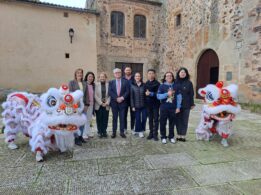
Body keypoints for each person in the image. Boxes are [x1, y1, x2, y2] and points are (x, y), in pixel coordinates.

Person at [157, 72, 182, 144]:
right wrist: (167, 94)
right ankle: (163, 137)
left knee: (172, 123)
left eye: (170, 76)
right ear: (165, 77)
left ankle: (171, 137)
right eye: (167, 76)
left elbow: (179, 97)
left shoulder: (176, 86)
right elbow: (158, 96)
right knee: (162, 122)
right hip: (164, 107)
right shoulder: (161, 86)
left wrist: (178, 107)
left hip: (173, 108)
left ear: (172, 77)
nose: (169, 77)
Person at [108, 68, 130, 138]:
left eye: (119, 72)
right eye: (116, 73)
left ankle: (122, 132)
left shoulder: (125, 82)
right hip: (114, 103)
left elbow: (127, 91)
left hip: (123, 103)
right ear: (114, 74)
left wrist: (122, 98)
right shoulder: (111, 82)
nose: (117, 74)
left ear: (121, 73)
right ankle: (114, 132)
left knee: (122, 118)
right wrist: (116, 98)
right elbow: (110, 91)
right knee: (114, 118)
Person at [175, 67, 195, 142]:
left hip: (186, 104)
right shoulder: (175, 82)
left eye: (184, 72)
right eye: (181, 72)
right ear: (179, 74)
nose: (182, 73)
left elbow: (191, 94)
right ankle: (178, 134)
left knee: (184, 120)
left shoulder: (189, 83)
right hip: (177, 105)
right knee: (178, 120)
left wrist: (192, 103)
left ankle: (183, 135)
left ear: (186, 74)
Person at [68, 68, 86, 146]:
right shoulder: (71, 83)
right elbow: (70, 94)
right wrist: (74, 103)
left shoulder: (84, 83)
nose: (80, 74)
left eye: (81, 73)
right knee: (75, 122)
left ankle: (81, 136)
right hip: (75, 105)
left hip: (83, 105)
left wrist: (87, 105)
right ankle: (76, 138)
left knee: (82, 121)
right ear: (75, 74)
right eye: (78, 73)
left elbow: (87, 95)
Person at [144, 69, 160, 141]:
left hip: (155, 105)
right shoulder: (146, 83)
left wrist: (150, 93)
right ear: (147, 75)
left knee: (156, 119)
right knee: (150, 119)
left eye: (152, 73)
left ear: (154, 74)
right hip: (148, 105)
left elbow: (158, 94)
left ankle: (155, 134)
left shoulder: (157, 84)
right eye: (149, 73)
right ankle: (151, 133)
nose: (150, 75)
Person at [130, 72, 147, 138]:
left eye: (139, 76)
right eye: (136, 76)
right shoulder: (132, 86)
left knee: (144, 118)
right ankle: (140, 131)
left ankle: (140, 130)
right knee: (138, 119)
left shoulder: (144, 85)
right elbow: (131, 97)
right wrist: (132, 106)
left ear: (140, 77)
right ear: (134, 77)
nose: (137, 77)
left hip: (144, 105)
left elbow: (146, 95)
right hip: (136, 106)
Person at [94, 72, 110, 138]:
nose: (102, 78)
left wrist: (106, 103)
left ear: (105, 78)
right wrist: (101, 103)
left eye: (103, 77)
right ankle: (99, 132)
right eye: (101, 77)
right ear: (99, 78)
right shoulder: (96, 85)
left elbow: (110, 95)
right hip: (98, 104)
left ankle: (104, 131)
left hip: (106, 105)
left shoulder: (109, 85)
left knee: (105, 118)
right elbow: (95, 95)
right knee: (99, 118)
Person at [123, 66, 135, 134]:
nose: (128, 71)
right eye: (126, 70)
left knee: (133, 114)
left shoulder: (134, 78)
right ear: (124, 71)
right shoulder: (122, 79)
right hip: (124, 99)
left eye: (129, 70)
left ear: (131, 71)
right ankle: (124, 128)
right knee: (124, 115)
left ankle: (132, 128)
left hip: (133, 99)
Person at [83, 71, 95, 139]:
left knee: (89, 119)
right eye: (89, 76)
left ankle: (88, 132)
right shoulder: (84, 84)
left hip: (91, 104)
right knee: (85, 119)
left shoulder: (93, 85)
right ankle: (84, 133)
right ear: (86, 77)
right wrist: (85, 104)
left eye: (92, 77)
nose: (91, 78)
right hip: (86, 105)